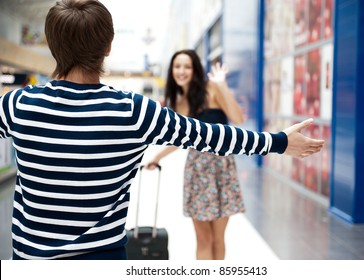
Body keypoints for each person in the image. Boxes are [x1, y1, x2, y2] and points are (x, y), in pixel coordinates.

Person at [0, 0, 324, 260]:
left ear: (52, 46)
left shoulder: (16, 105)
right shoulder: (134, 110)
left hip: (31, 258)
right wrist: (279, 142)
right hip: (104, 257)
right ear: (108, 47)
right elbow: (212, 136)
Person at [145, 50, 247, 260]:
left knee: (219, 238)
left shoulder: (213, 90)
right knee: (203, 239)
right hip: (198, 171)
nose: (182, 71)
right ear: (172, 70)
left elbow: (238, 119)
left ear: (195, 70)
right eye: (177, 66)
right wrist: (157, 157)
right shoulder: (181, 102)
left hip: (222, 168)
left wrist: (221, 85)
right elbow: (180, 139)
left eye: (187, 66)